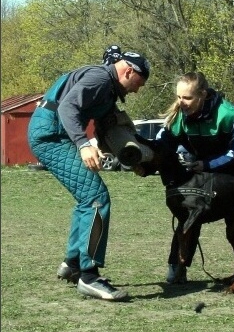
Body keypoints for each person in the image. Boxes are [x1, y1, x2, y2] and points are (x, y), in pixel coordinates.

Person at [27, 46, 151, 301]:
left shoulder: (107, 88)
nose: (137, 90)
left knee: (87, 198)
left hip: (54, 135)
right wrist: (83, 145)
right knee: (96, 198)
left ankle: (73, 263)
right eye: (138, 83)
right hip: (51, 136)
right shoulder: (100, 79)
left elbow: (110, 132)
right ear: (128, 71)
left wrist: (133, 159)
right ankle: (90, 276)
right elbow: (67, 108)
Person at [156, 71, 234, 286]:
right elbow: (163, 141)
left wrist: (207, 165)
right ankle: (177, 267)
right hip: (203, 167)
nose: (182, 103)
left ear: (203, 95)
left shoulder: (226, 114)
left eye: (187, 98)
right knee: (190, 213)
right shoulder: (180, 114)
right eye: (179, 97)